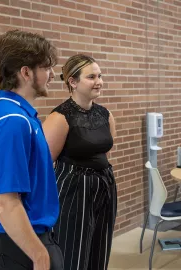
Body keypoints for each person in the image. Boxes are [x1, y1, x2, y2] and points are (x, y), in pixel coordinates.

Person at [0, 30, 63, 270]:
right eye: (46, 68)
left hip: (35, 237)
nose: (51, 75)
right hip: (21, 247)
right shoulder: (12, 121)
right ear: (26, 72)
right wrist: (39, 255)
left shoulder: (24, 117)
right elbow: (5, 202)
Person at [42, 54, 117, 270]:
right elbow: (45, 165)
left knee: (100, 247)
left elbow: (105, 152)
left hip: (105, 186)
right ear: (72, 82)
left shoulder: (105, 114)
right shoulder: (60, 117)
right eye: (91, 77)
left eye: (100, 76)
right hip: (74, 191)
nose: (99, 81)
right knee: (73, 252)